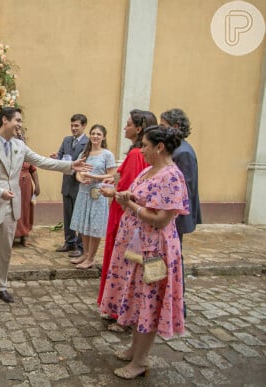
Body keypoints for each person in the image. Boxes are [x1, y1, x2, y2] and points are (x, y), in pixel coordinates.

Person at [0, 107, 92, 324]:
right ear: (4, 120)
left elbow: (43, 161)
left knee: (5, 252)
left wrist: (70, 165)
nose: (19, 124)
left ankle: (1, 287)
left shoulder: (19, 145)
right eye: (17, 120)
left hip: (11, 208)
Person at [99, 125, 189, 380]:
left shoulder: (172, 176)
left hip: (154, 252)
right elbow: (139, 199)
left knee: (149, 302)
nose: (142, 150)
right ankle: (134, 349)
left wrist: (132, 206)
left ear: (159, 147)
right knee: (138, 298)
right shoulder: (150, 170)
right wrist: (123, 196)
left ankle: (140, 361)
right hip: (137, 247)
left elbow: (161, 219)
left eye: (146, 145)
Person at [98, 110, 157, 326]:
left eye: (129, 124)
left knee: (120, 263)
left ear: (139, 128)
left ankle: (116, 308)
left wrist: (110, 191)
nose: (125, 128)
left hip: (123, 212)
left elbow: (126, 189)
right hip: (133, 214)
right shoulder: (140, 154)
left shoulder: (135, 155)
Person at [160, 108, 202, 318]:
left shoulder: (183, 152)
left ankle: (177, 307)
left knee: (174, 261)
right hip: (171, 216)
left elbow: (184, 188)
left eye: (163, 125)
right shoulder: (177, 149)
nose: (161, 129)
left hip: (176, 218)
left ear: (175, 127)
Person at [69, 124, 116, 269]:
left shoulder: (107, 154)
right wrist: (80, 178)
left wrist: (93, 176)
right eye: (93, 133)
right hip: (83, 193)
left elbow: (112, 175)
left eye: (98, 134)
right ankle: (85, 253)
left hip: (97, 194)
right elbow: (77, 172)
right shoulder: (84, 153)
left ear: (103, 137)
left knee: (95, 227)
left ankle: (91, 258)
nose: (95, 136)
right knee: (84, 225)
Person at [51, 114, 89, 258]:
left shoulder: (88, 142)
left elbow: (86, 162)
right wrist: (56, 158)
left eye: (76, 126)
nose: (73, 128)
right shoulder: (66, 140)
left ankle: (80, 246)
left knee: (78, 216)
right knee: (67, 215)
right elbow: (61, 157)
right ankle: (69, 242)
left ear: (84, 126)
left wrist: (73, 168)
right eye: (72, 125)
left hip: (79, 184)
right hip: (66, 183)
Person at [14, 128, 40, 247]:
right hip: (14, 184)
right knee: (15, 208)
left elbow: (33, 170)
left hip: (26, 185)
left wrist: (37, 186)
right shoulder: (9, 151)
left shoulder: (27, 152)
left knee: (26, 209)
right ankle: (13, 234)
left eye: (21, 136)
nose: (20, 137)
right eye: (17, 135)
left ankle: (25, 235)